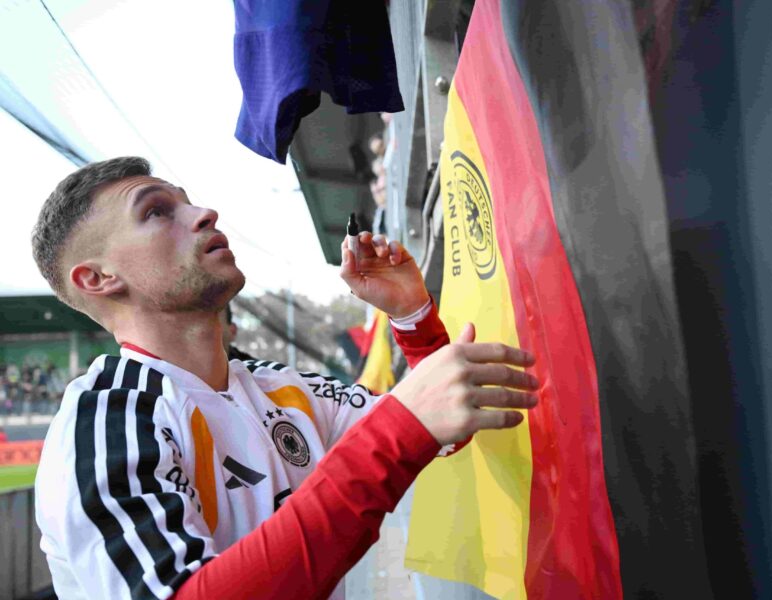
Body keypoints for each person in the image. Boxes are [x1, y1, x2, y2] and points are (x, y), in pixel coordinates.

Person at [31, 157, 538, 600]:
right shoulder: (104, 423)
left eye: (186, 202)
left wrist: (411, 317)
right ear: (96, 279)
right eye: (157, 211)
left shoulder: (279, 388)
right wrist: (399, 430)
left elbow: (439, 429)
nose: (203, 214)